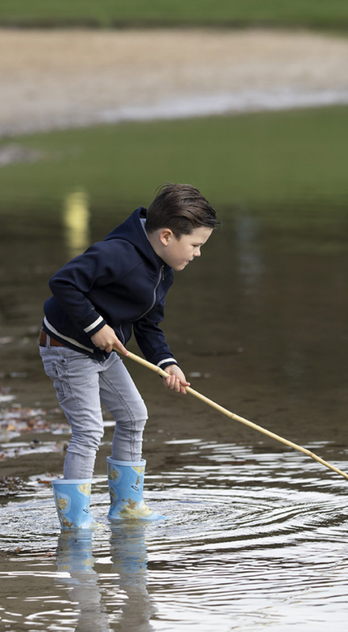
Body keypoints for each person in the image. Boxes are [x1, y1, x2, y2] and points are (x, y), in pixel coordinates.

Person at [40, 183, 219, 529]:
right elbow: (63, 282)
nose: (197, 253)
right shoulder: (118, 254)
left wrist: (167, 362)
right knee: (89, 430)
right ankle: (75, 523)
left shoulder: (161, 268)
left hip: (103, 351)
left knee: (134, 415)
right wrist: (95, 325)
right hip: (66, 346)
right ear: (167, 236)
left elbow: (148, 324)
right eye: (195, 245)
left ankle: (126, 506)